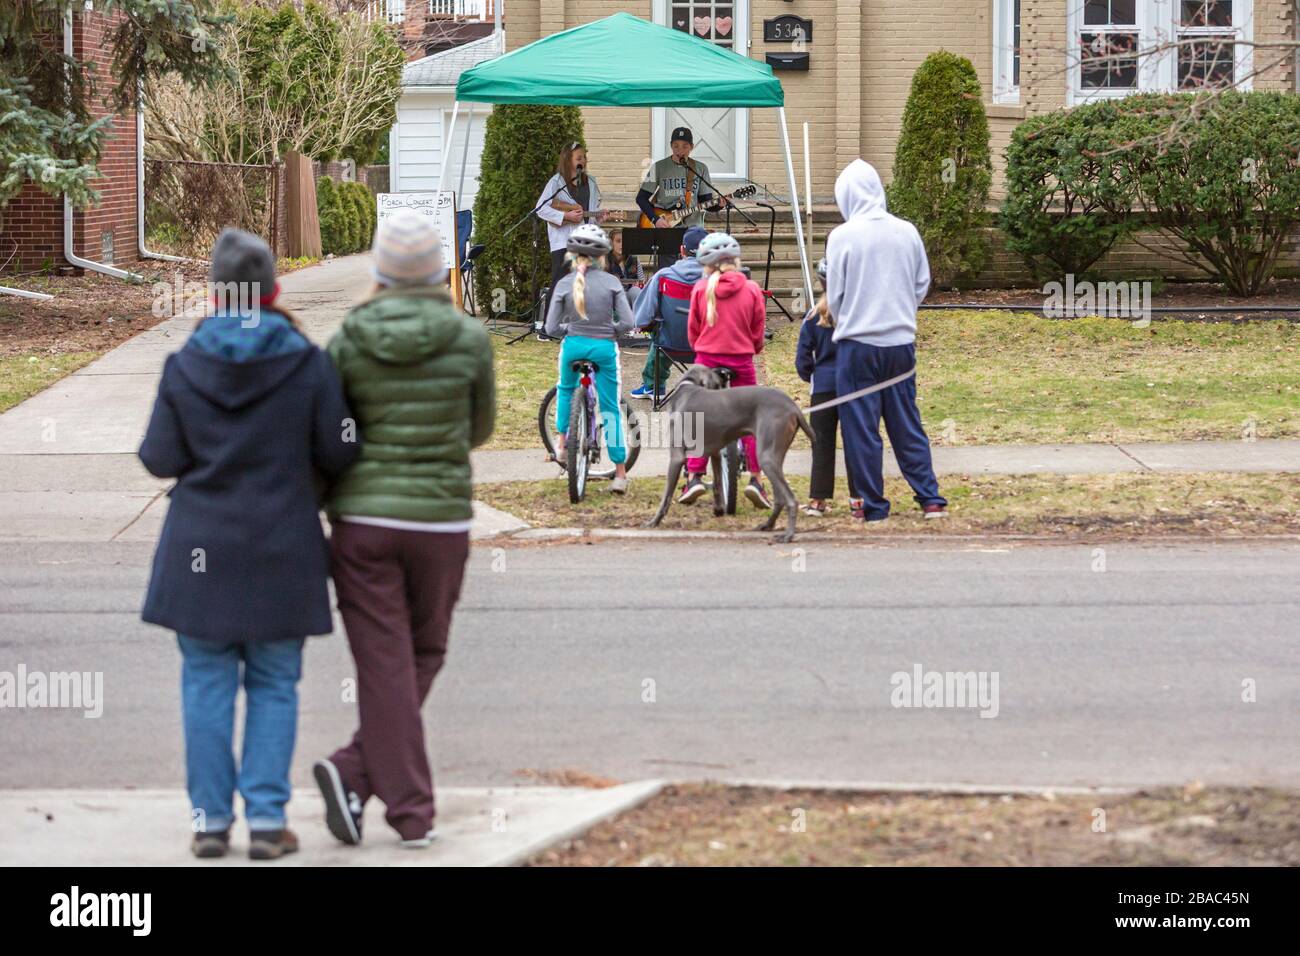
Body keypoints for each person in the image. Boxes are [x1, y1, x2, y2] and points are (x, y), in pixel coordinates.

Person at [138, 228, 359, 861]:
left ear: (214, 292)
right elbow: (341, 447)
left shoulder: (185, 363)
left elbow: (158, 458)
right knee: (274, 684)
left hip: (199, 549)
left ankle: (210, 824)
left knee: (205, 685)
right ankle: (266, 822)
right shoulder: (306, 360)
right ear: (273, 290)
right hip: (282, 547)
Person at [312, 210, 496, 850]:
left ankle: (354, 771)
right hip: (441, 521)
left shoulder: (349, 337)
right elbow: (480, 429)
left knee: (386, 661)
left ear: (381, 271)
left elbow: (332, 434)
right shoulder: (469, 338)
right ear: (439, 271)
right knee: (425, 651)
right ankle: (410, 809)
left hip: (363, 523)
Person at [825, 159, 947, 522]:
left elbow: (835, 296)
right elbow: (922, 282)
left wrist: (852, 315)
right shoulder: (907, 231)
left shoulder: (842, 236)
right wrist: (901, 310)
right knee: (906, 421)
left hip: (857, 345)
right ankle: (930, 498)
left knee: (860, 428)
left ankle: (873, 506)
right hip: (899, 343)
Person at [678, 231, 773, 510]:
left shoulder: (700, 290)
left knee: (699, 416)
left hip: (707, 361)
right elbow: (758, 332)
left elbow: (693, 333)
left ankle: (694, 475)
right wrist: (751, 348)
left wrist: (703, 349)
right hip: (742, 361)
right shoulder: (752, 290)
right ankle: (756, 479)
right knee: (751, 419)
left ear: (706, 264)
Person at [544, 223, 635, 494]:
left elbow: (550, 328)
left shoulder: (563, 284)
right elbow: (628, 322)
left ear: (572, 255)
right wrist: (610, 330)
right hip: (604, 348)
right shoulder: (612, 282)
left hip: (573, 346)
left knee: (565, 390)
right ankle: (619, 473)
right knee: (610, 408)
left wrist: (568, 330)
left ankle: (562, 446)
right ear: (602, 256)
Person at [796, 257, 861, 517]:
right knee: (856, 442)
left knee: (821, 443)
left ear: (821, 282)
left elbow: (802, 360)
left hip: (823, 388)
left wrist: (812, 375)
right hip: (855, 386)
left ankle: (818, 500)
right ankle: (859, 498)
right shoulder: (858, 315)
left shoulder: (812, 318)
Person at [629, 224, 707, 400]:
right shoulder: (718, 280)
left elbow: (642, 317)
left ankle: (653, 385)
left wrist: (646, 325)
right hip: (707, 348)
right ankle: (712, 387)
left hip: (669, 346)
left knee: (659, 328)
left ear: (681, 250)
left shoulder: (663, 276)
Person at [537, 141, 604, 319]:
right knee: (559, 282)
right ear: (568, 160)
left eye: (585, 157)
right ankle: (547, 327)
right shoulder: (556, 182)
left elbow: (591, 213)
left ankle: (578, 323)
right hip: (563, 241)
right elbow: (541, 208)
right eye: (579, 157)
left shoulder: (591, 182)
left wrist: (600, 217)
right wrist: (566, 217)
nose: (584, 160)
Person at [637, 126, 721, 267]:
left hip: (692, 230)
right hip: (667, 228)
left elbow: (705, 202)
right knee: (667, 270)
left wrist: (720, 204)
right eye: (675, 146)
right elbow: (641, 198)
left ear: (691, 147)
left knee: (696, 270)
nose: (679, 151)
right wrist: (655, 219)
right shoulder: (657, 167)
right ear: (671, 146)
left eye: (684, 146)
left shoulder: (700, 168)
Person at [607, 228, 646, 310]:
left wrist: (639, 284)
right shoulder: (606, 260)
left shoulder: (634, 259)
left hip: (630, 292)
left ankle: (636, 321)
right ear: (611, 244)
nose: (622, 245)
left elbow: (641, 280)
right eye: (618, 241)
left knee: (636, 291)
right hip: (614, 295)